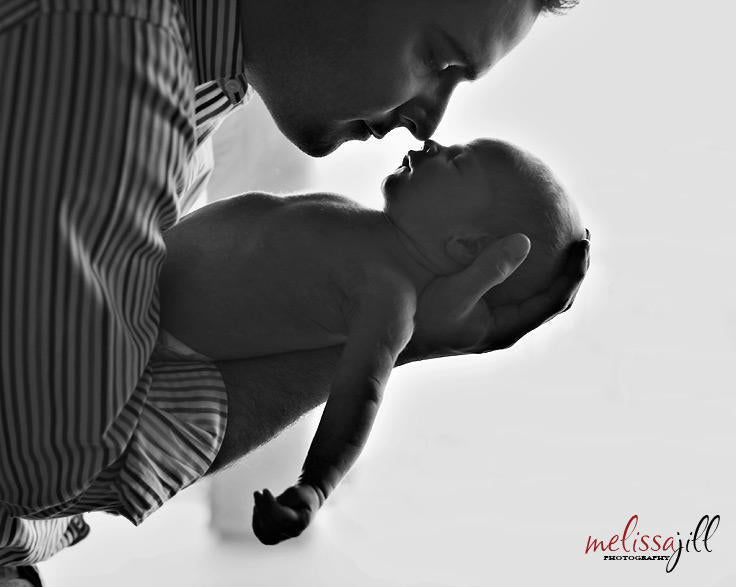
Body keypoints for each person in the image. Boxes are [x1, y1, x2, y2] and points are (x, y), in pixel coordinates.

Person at [0, 0, 589, 584]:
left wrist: (320, 470)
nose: (429, 121)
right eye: (438, 56)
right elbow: (45, 467)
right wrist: (411, 340)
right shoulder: (108, 52)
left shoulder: (171, 70)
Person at [156, 137, 584, 544]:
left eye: (457, 160)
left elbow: (360, 395)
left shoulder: (388, 296)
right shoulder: (370, 233)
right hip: (141, 277)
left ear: (465, 245)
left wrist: (313, 487)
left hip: (148, 331)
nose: (435, 144)